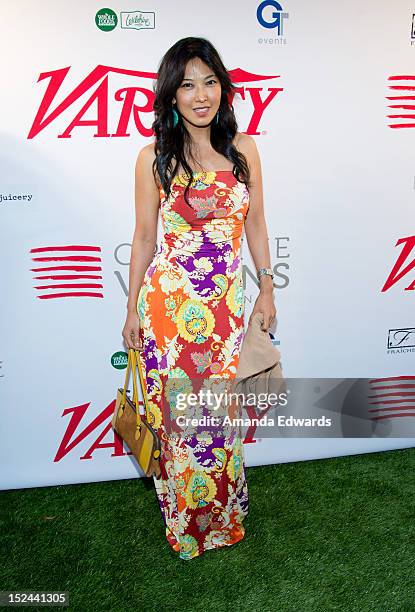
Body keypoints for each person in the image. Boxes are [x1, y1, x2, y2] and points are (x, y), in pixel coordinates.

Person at [122, 37, 276, 560]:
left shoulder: (245, 150)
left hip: (227, 313)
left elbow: (255, 224)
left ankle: (226, 519)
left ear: (223, 90)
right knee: (182, 426)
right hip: (169, 312)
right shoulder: (153, 160)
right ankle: (187, 528)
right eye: (187, 84)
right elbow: (144, 238)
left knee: (221, 421)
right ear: (171, 95)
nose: (200, 94)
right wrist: (129, 311)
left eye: (209, 82)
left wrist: (267, 288)